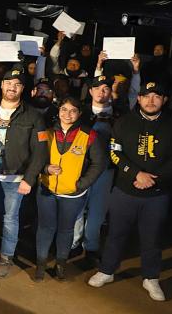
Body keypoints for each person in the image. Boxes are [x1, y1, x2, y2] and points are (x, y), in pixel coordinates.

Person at [88, 82, 172, 302]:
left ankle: (151, 277)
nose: (151, 101)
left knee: (152, 238)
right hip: (124, 192)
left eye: (156, 96)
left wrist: (152, 180)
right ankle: (107, 270)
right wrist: (135, 174)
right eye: (146, 96)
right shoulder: (123, 122)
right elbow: (115, 153)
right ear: (139, 99)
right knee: (115, 234)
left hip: (157, 194)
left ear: (165, 100)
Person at [0, 68, 48, 278]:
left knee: (10, 219)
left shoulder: (33, 116)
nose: (12, 88)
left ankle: (6, 257)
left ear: (22, 88)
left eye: (17, 84)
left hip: (16, 179)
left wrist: (29, 179)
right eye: (8, 83)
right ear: (1, 85)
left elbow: (40, 151)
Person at [34, 97, 106, 282]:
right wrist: (45, 169)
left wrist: (82, 184)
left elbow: (99, 163)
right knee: (45, 227)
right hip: (47, 189)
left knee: (66, 230)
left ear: (79, 113)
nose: (68, 114)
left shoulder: (89, 135)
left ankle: (60, 264)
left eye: (73, 110)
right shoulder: (46, 132)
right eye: (64, 109)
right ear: (58, 111)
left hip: (73, 194)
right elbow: (35, 156)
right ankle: (41, 264)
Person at [72, 75, 120, 264]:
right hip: (81, 168)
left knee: (98, 211)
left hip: (106, 171)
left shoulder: (119, 115)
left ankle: (91, 246)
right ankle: (73, 244)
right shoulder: (80, 114)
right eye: (98, 88)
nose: (102, 92)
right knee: (76, 207)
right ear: (90, 91)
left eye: (106, 88)